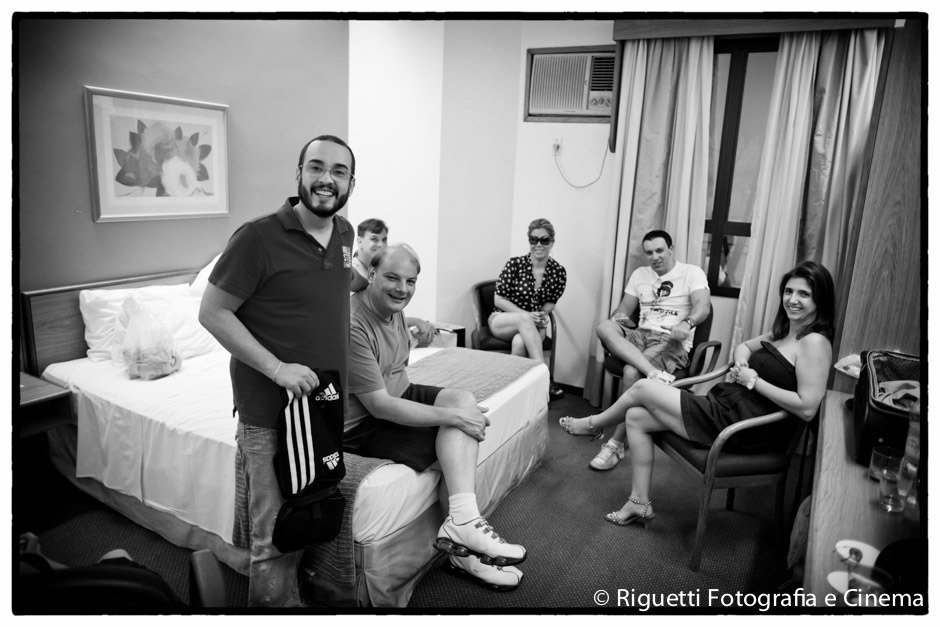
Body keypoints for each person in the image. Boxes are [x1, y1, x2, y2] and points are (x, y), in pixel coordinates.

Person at [198, 135, 357, 607]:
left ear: (351, 182)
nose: (327, 179)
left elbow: (332, 289)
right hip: (271, 415)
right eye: (316, 167)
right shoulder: (258, 238)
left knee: (306, 519)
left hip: (322, 409)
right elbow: (213, 312)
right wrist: (276, 368)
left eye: (339, 171)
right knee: (273, 540)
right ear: (299, 173)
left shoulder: (345, 234)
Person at [559, 261, 834, 527]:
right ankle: (638, 502)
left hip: (745, 427)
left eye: (804, 294)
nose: (793, 300)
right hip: (728, 408)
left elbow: (807, 408)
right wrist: (742, 364)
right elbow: (744, 347)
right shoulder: (784, 332)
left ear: (819, 300)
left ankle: (594, 424)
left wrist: (754, 381)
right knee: (635, 417)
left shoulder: (814, 343)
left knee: (642, 387)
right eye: (789, 291)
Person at [345, 243, 526, 591]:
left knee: (464, 400)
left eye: (411, 281)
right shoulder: (354, 325)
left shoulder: (392, 308)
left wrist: (457, 413)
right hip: (364, 423)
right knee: (458, 432)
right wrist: (454, 419)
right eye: (392, 278)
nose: (402, 289)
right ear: (371, 274)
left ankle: (462, 523)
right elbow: (379, 406)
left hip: (399, 392)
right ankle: (465, 547)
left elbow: (397, 364)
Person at [583, 229, 710, 471]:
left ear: (671, 249)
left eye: (660, 251)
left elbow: (703, 307)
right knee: (604, 326)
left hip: (671, 339)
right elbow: (623, 310)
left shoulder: (691, 272)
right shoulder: (640, 274)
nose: (655, 257)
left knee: (631, 372)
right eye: (649, 253)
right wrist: (620, 321)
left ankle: (615, 444)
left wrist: (686, 323)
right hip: (641, 334)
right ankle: (653, 373)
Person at [489, 218, 567, 400]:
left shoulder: (558, 271)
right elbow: (498, 299)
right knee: (524, 319)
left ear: (552, 242)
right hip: (503, 320)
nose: (538, 244)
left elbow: (551, 301)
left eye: (544, 240)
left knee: (519, 342)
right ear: (529, 241)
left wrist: (543, 313)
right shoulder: (514, 264)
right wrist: (527, 315)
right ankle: (544, 376)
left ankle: (514, 393)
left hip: (533, 325)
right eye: (534, 239)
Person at [350, 217, 438, 347]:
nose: (380, 245)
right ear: (359, 241)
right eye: (374, 239)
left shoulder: (379, 270)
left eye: (384, 240)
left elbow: (384, 318)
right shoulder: (352, 274)